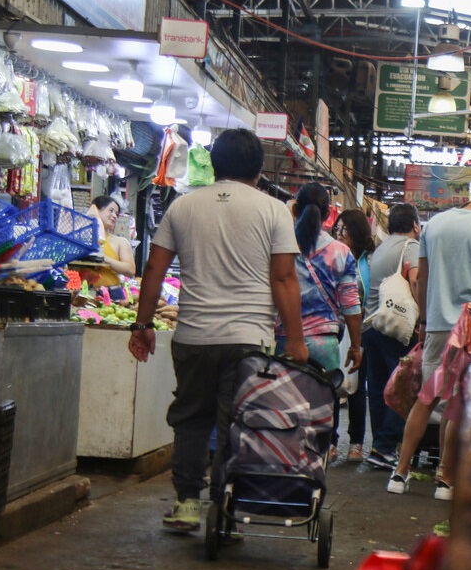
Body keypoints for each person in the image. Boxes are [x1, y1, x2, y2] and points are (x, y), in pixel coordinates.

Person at [128, 128, 308, 533]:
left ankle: (187, 503)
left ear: (213, 164)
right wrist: (295, 339)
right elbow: (284, 279)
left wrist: (142, 325)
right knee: (237, 425)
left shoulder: (183, 207)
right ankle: (225, 510)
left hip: (194, 336)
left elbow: (154, 268)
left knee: (191, 420)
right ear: (259, 170)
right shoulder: (274, 210)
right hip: (249, 341)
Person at [387, 172, 471, 500]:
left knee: (427, 399)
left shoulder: (436, 224)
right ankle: (444, 480)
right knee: (458, 402)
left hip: (438, 324)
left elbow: (423, 276)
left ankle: (399, 475)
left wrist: (425, 318)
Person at [282, 185, 364, 463]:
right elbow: (351, 305)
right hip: (323, 346)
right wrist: (356, 346)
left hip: (282, 342)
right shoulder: (340, 252)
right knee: (319, 417)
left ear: (294, 210)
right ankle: (313, 473)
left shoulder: (280, 246)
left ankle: (281, 466)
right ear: (329, 214)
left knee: (282, 411)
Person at [361, 203, 420, 470]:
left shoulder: (381, 247)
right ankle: (385, 447)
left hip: (372, 325)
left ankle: (378, 448)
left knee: (377, 389)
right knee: (402, 388)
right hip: (396, 329)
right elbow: (416, 281)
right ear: (415, 225)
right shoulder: (411, 247)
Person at [330, 209, 374, 462]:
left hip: (360, 329)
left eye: (344, 229)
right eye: (337, 229)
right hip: (334, 329)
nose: (339, 234)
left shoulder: (368, 261)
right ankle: (330, 442)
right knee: (333, 386)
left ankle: (356, 442)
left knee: (357, 389)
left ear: (357, 232)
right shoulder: (331, 255)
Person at [81, 195, 136, 288]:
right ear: (96, 210)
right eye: (111, 210)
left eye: (116, 213)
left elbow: (130, 270)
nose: (114, 216)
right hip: (81, 294)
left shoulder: (120, 242)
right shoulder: (81, 238)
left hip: (110, 296)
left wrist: (104, 259)